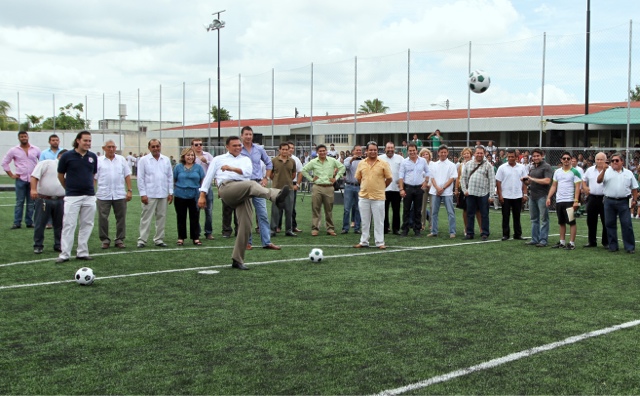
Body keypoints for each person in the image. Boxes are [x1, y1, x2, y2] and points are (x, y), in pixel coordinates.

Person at [198, 136, 290, 270]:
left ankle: (237, 259)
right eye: (234, 145)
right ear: (227, 147)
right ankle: (275, 195)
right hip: (227, 188)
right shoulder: (218, 159)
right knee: (252, 184)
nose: (238, 148)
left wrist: (230, 168)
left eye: (239, 145)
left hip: (244, 190)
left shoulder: (245, 159)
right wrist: (202, 195)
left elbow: (247, 173)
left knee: (246, 225)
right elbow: (208, 177)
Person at [55, 131, 98, 263]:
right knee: (69, 224)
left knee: (87, 224)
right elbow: (60, 175)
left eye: (90, 141)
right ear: (78, 140)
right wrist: (68, 188)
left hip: (89, 196)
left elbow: (93, 175)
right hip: (72, 196)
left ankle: (82, 252)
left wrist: (91, 188)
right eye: (85, 140)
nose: (88, 143)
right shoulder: (67, 156)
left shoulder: (92, 157)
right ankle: (65, 254)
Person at [240, 126, 281, 250]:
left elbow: (269, 163)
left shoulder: (258, 149)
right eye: (246, 134)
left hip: (258, 184)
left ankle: (267, 242)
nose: (248, 136)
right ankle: (247, 242)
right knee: (246, 216)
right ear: (242, 135)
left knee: (262, 214)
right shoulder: (237, 150)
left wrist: (266, 178)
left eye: (250, 134)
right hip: (244, 184)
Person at [353, 141, 392, 249]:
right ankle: (364, 241)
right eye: (371, 150)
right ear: (367, 151)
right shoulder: (361, 163)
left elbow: (389, 178)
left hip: (378, 197)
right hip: (364, 196)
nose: (373, 151)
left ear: (377, 151)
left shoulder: (383, 163)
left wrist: (381, 187)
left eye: (375, 150)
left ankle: (380, 242)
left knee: (379, 221)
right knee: (365, 221)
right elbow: (358, 178)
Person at [597, 152, 638, 253]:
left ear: (622, 162)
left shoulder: (628, 173)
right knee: (609, 224)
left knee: (627, 224)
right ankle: (613, 246)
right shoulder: (606, 171)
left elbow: (634, 188)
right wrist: (603, 170)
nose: (614, 162)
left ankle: (629, 247)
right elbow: (598, 181)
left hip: (624, 201)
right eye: (612, 161)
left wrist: (635, 200)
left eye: (616, 160)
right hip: (609, 201)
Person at [136, 139, 174, 248]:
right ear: (149, 148)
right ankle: (142, 240)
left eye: (157, 146)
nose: (155, 148)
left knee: (161, 217)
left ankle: (159, 239)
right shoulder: (144, 160)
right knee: (146, 218)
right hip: (149, 194)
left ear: (160, 146)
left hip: (163, 193)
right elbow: (140, 178)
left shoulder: (166, 160)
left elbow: (169, 176)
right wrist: (143, 194)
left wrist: (170, 192)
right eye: (153, 147)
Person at [301, 144, 346, 236]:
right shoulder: (313, 162)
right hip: (317, 186)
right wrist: (311, 179)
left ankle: (330, 228)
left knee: (329, 209)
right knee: (316, 208)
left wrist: (336, 177)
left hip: (329, 187)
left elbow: (342, 167)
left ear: (326, 151)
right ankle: (315, 228)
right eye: (320, 151)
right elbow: (304, 170)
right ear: (317, 152)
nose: (322, 152)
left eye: (324, 151)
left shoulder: (332, 160)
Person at [95, 140, 132, 249]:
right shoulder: (98, 161)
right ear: (104, 148)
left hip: (119, 194)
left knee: (121, 218)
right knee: (103, 218)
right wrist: (92, 192)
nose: (111, 149)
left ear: (116, 148)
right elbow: (94, 177)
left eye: (113, 147)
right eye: (109, 147)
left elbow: (127, 175)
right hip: (103, 194)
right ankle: (105, 240)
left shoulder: (121, 160)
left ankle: (119, 239)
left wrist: (129, 190)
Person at [30, 149, 67, 254]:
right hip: (44, 199)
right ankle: (38, 245)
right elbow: (34, 177)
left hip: (61, 199)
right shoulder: (46, 163)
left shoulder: (68, 168)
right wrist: (33, 189)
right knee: (40, 224)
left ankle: (58, 244)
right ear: (59, 156)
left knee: (60, 224)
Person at [2, 131, 41, 229]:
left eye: (25, 136)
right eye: (21, 137)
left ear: (28, 137)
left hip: (33, 179)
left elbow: (41, 162)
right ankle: (17, 223)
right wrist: (11, 175)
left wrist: (39, 175)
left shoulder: (36, 149)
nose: (24, 138)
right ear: (18, 138)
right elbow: (4, 163)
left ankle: (29, 222)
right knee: (19, 202)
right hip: (21, 179)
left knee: (31, 202)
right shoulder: (13, 150)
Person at [546, 151, 582, 250]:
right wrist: (549, 197)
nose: (566, 160)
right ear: (561, 160)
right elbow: (554, 186)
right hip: (559, 201)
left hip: (570, 201)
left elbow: (577, 187)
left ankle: (572, 243)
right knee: (561, 222)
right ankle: (562, 242)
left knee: (571, 222)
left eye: (568, 158)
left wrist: (575, 201)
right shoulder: (557, 172)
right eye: (564, 158)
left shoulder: (575, 172)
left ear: (571, 160)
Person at [461, 145, 495, 241]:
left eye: (481, 153)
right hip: (470, 193)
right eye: (478, 153)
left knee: (484, 214)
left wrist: (492, 195)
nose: (479, 155)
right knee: (470, 214)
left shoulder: (488, 165)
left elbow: (492, 181)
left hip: (483, 194)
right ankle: (469, 233)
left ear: (484, 154)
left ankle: (484, 233)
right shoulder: (468, 164)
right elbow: (463, 179)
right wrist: (464, 190)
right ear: (474, 153)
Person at [173, 147, 205, 246]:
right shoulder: (178, 167)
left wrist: (202, 194)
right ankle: (181, 238)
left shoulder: (198, 168)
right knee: (181, 217)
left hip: (194, 196)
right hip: (180, 195)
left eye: (192, 155)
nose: (190, 157)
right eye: (188, 155)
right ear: (184, 156)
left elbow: (202, 180)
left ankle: (195, 237)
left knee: (195, 217)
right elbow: (174, 180)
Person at [495, 148, 528, 241]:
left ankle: (518, 234)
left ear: (516, 157)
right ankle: (505, 234)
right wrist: (500, 195)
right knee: (505, 216)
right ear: (506, 157)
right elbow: (498, 182)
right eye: (509, 157)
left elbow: (525, 181)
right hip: (505, 196)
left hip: (517, 195)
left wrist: (525, 194)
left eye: (512, 157)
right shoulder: (502, 168)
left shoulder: (522, 167)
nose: (510, 158)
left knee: (517, 216)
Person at [398, 143, 430, 237]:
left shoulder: (423, 161)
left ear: (417, 150)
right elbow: (401, 176)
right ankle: (405, 229)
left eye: (414, 150)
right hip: (408, 187)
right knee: (406, 209)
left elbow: (428, 171)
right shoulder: (404, 162)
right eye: (410, 150)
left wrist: (426, 181)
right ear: (407, 151)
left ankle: (417, 230)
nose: (412, 152)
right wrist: (401, 189)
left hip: (419, 188)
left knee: (418, 210)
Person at [524, 148, 553, 247]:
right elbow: (530, 181)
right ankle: (534, 239)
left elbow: (547, 181)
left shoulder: (546, 167)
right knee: (534, 219)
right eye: (534, 156)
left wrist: (532, 179)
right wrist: (525, 181)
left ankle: (543, 240)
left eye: (538, 156)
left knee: (544, 219)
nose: (536, 158)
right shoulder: (532, 167)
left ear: (542, 156)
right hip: (533, 195)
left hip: (543, 196)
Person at [428, 145, 458, 239]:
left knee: (450, 212)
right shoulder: (433, 164)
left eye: (445, 152)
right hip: (435, 192)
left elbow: (452, 178)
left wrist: (443, 188)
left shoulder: (452, 165)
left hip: (447, 192)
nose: (443, 154)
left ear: (447, 153)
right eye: (441, 152)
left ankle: (452, 232)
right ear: (438, 153)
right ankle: (434, 231)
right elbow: (432, 178)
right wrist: (437, 188)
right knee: (434, 213)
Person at [582, 152, 609, 248]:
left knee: (605, 221)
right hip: (592, 197)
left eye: (601, 159)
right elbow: (583, 180)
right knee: (591, 220)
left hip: (604, 198)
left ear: (605, 160)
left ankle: (606, 242)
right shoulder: (589, 170)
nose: (599, 161)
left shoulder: (609, 170)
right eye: (598, 159)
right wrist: (585, 187)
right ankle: (592, 241)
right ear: (595, 160)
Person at [269, 142, 297, 237]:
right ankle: (273, 229)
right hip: (276, 189)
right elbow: (271, 174)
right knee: (275, 210)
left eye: (286, 149)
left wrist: (288, 181)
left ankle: (288, 230)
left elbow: (293, 175)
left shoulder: (292, 161)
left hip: (289, 189)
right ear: (279, 150)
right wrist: (277, 181)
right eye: (283, 149)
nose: (285, 151)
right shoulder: (273, 161)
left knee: (289, 210)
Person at [191, 138, 215, 240]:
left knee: (208, 211)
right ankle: (197, 232)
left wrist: (207, 162)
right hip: (195, 185)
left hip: (207, 185)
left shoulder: (208, 155)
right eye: (196, 145)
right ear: (192, 146)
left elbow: (215, 167)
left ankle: (208, 232)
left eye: (200, 144)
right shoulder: (190, 156)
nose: (199, 146)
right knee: (196, 211)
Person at [380, 141, 404, 235]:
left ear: (394, 149)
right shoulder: (380, 158)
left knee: (396, 210)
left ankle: (396, 229)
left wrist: (402, 184)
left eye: (391, 148)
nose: (390, 150)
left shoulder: (400, 158)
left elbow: (403, 172)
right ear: (385, 149)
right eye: (388, 148)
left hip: (396, 189)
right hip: (384, 188)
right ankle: (385, 228)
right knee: (383, 210)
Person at [341, 145, 363, 234]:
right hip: (349, 186)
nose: (358, 152)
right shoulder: (348, 159)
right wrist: (352, 159)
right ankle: (345, 228)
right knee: (347, 208)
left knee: (358, 208)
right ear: (353, 151)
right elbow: (345, 168)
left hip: (359, 186)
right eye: (357, 150)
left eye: (360, 150)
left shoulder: (363, 160)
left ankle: (357, 228)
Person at [419, 148, 433, 232]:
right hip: (423, 187)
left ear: (429, 155)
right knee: (423, 207)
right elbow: (419, 176)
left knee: (432, 207)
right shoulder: (419, 165)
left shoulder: (433, 164)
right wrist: (424, 184)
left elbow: (435, 176)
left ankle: (431, 224)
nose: (425, 156)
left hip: (432, 187)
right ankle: (422, 224)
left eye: (426, 154)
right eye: (423, 155)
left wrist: (431, 185)